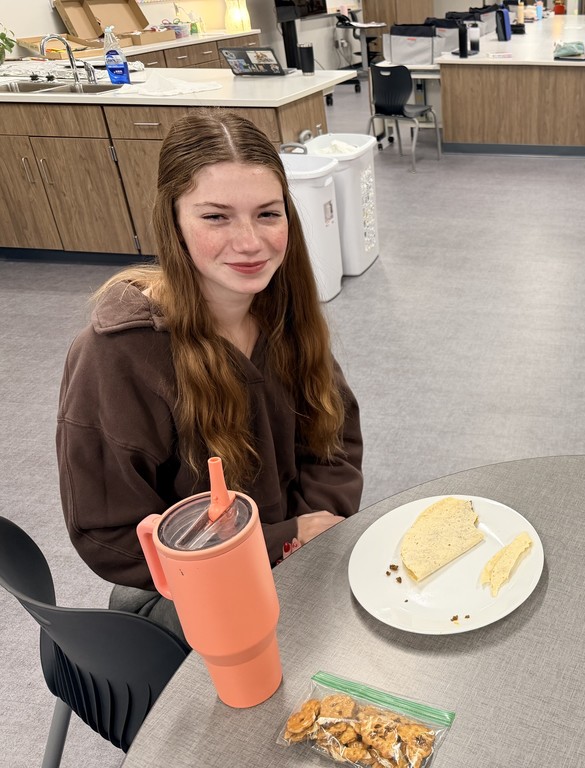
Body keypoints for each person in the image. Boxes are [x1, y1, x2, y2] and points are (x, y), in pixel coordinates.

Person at [57, 112, 363, 638]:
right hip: (187, 591)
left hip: (295, 564)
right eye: (216, 217)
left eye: (268, 214)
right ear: (173, 222)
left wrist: (311, 534)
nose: (250, 243)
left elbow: (333, 442)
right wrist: (280, 541)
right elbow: (109, 532)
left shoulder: (285, 317)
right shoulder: (118, 356)